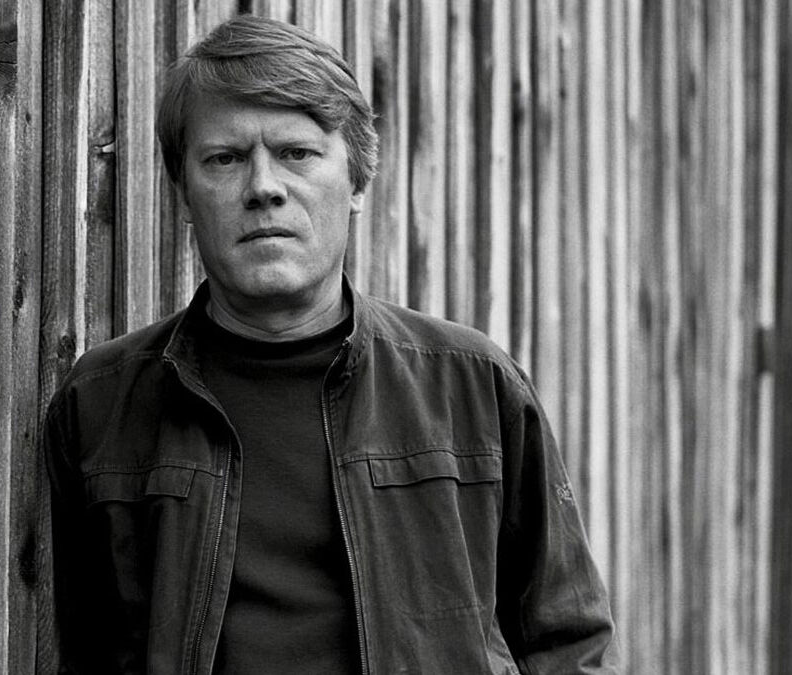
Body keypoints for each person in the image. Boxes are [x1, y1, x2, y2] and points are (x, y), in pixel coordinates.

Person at [44, 14, 616, 674]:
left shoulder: (472, 387)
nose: (264, 187)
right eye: (225, 158)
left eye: (297, 153)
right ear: (184, 193)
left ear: (357, 183)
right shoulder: (102, 405)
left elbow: (567, 642)